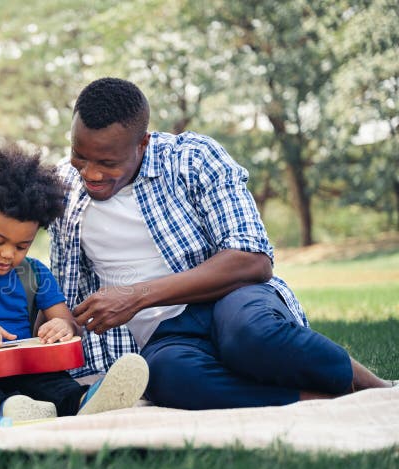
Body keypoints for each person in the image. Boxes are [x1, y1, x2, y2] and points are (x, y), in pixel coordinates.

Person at [49, 77, 393, 410]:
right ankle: (313, 400)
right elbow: (57, 292)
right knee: (166, 376)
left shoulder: (193, 159)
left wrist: (137, 295)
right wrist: (59, 322)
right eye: (81, 156)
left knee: (251, 335)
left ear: (143, 144)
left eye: (108, 163)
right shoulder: (62, 188)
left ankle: (375, 389)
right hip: (165, 339)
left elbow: (253, 260)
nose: (90, 173)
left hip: (231, 301)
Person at [0, 143, 148, 420]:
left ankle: (83, 400)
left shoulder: (36, 273)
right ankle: (8, 409)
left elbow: (71, 326)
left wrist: (61, 326)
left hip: (23, 372)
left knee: (51, 377)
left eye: (21, 246)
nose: (7, 254)